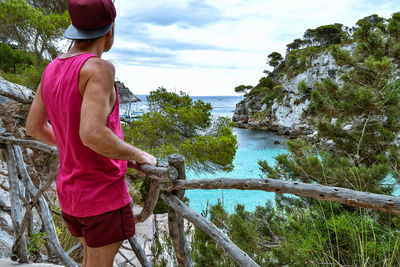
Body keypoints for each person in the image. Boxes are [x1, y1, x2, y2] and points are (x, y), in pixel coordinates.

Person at [25, 0, 157, 266]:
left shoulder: (51, 69)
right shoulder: (99, 68)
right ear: (110, 31)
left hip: (70, 193)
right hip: (101, 195)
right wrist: (139, 154)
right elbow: (93, 134)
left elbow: (34, 127)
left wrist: (69, 146)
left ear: (75, 29)